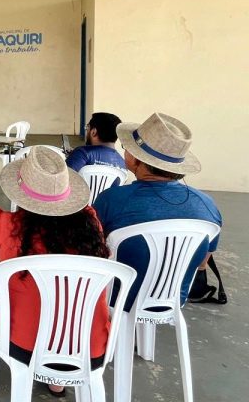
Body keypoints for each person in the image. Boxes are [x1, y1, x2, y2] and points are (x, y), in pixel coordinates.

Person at [0, 146, 110, 397]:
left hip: (25, 344)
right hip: (89, 346)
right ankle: (58, 383)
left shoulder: (4, 223)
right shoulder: (91, 223)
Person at [94, 112, 222, 306]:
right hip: (173, 301)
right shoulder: (207, 205)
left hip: (117, 301)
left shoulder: (111, 200)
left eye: (127, 148)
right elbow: (202, 263)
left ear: (136, 158)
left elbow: (92, 252)